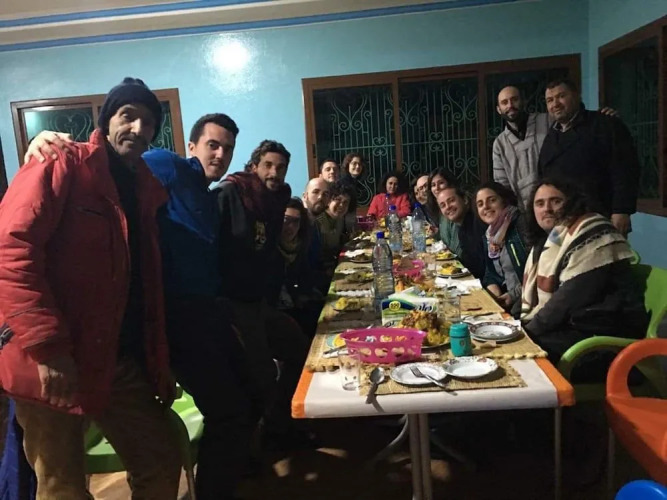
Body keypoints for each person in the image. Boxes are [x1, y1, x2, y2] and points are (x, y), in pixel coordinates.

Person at [24, 113, 262, 499]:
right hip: (170, 320)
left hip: (199, 315)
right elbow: (116, 160)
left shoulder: (208, 193)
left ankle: (234, 472)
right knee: (229, 412)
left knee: (251, 396)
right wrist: (54, 145)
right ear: (192, 146)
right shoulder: (166, 164)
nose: (220, 154)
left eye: (228, 148)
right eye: (213, 145)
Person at [0, 77, 181, 499]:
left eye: (149, 122)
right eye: (128, 116)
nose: (138, 128)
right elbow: (10, 251)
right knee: (61, 486)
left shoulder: (147, 191)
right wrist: (49, 349)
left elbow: (144, 287)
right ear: (107, 120)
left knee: (159, 459)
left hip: (116, 360)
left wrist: (156, 361)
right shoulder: (60, 161)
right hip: (50, 361)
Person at [218, 140, 311, 449]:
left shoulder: (276, 201)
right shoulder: (231, 193)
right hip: (232, 303)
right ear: (254, 165)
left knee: (299, 347)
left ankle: (281, 421)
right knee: (261, 375)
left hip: (259, 302)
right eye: (268, 165)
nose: (274, 172)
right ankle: (258, 443)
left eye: (281, 167)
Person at [521, 178, 647, 377]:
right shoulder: (549, 242)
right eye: (540, 203)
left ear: (572, 202)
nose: (547, 209)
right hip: (572, 330)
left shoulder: (592, 231)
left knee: (520, 357)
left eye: (556, 201)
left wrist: (521, 334)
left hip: (605, 343)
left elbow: (566, 302)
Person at [493, 85, 619, 212]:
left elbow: (576, 123)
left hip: (565, 204)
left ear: (524, 101)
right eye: (504, 102)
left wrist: (602, 118)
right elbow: (503, 187)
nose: (510, 105)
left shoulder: (549, 121)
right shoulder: (499, 144)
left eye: (514, 99)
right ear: (499, 109)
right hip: (528, 212)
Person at [538, 78, 639, 236]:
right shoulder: (552, 136)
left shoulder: (605, 124)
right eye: (550, 100)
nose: (555, 104)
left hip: (600, 215)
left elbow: (625, 169)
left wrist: (621, 210)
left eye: (561, 96)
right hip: (562, 221)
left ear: (576, 96)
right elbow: (543, 177)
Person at [267, 198, 324, 337]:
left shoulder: (299, 245)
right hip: (274, 312)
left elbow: (305, 276)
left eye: (295, 221)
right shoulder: (268, 248)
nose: (290, 227)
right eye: (286, 220)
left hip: (295, 303)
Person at [475, 181, 528, 317]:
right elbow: (490, 272)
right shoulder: (490, 235)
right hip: (509, 300)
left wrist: (513, 295)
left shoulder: (521, 225)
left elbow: (537, 272)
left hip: (527, 302)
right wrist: (493, 290)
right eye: (480, 204)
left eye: (492, 200)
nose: (486, 207)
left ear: (504, 201)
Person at [436, 185, 487, 279]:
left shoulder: (478, 223)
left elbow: (485, 268)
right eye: (443, 205)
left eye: (451, 201)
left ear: (465, 200)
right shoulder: (462, 227)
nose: (448, 207)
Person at [315, 181, 354, 277]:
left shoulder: (340, 219)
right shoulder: (319, 221)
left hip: (335, 265)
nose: (341, 205)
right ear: (328, 201)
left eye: (345, 203)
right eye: (338, 200)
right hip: (321, 272)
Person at [302, 177, 333, 295]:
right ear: (305, 196)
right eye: (315, 192)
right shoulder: (297, 223)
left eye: (325, 194)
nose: (320, 197)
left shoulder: (316, 224)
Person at [425, 167, 457, 236]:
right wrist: (436, 232)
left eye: (441, 183)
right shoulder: (436, 207)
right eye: (433, 185)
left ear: (449, 183)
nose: (437, 188)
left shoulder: (454, 208)